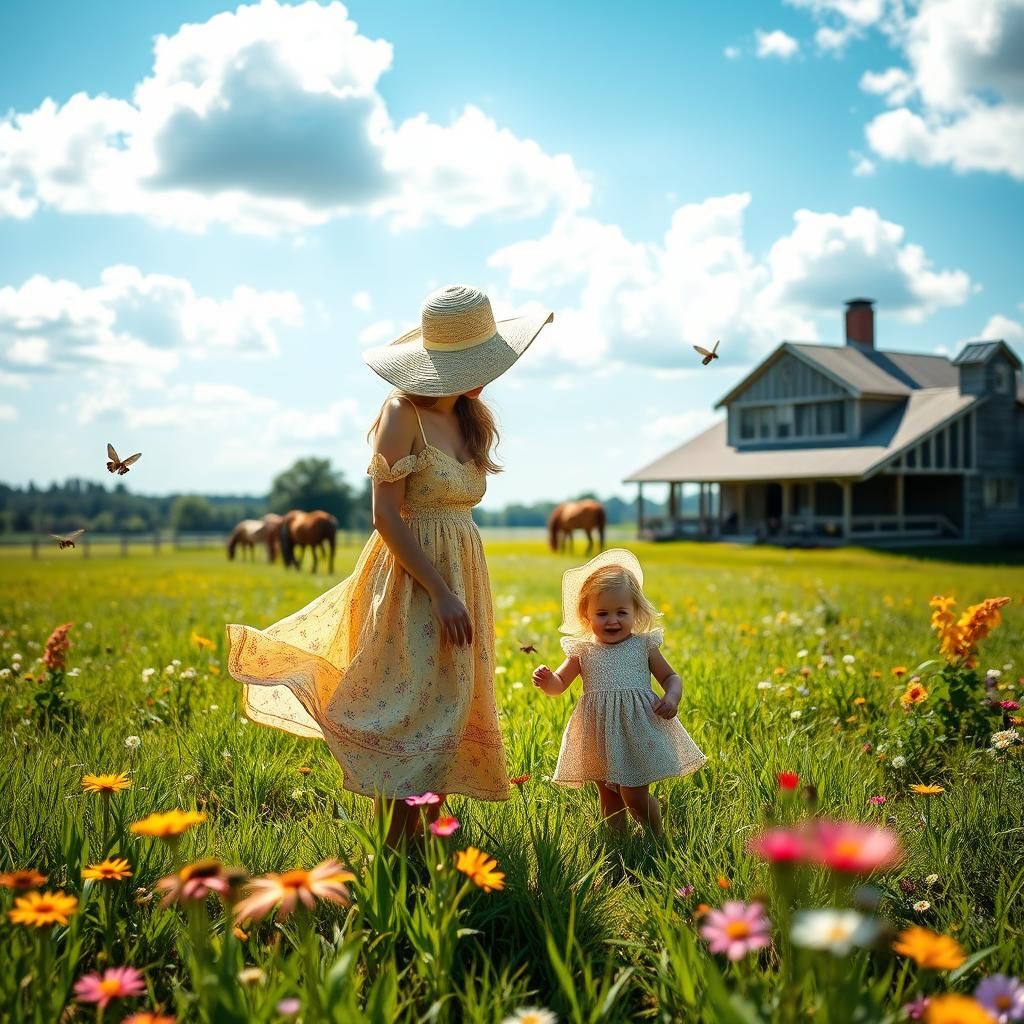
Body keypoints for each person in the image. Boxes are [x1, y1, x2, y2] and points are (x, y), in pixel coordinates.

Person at [226, 285, 553, 847]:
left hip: (464, 572)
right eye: (469, 363)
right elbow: (385, 515)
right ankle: (397, 848)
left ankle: (429, 838)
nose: (482, 375)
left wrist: (459, 589)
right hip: (413, 576)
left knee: (450, 702)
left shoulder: (472, 416)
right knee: (407, 703)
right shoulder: (403, 414)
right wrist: (441, 590)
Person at [531, 548, 706, 836]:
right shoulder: (582, 652)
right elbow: (559, 686)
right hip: (598, 731)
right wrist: (547, 679)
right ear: (586, 616)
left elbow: (670, 677)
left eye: (621, 612)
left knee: (633, 795)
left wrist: (671, 697)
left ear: (635, 612)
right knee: (608, 797)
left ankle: (655, 831)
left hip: (635, 731)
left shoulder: (643, 646)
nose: (612, 620)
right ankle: (618, 843)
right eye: (602, 613)